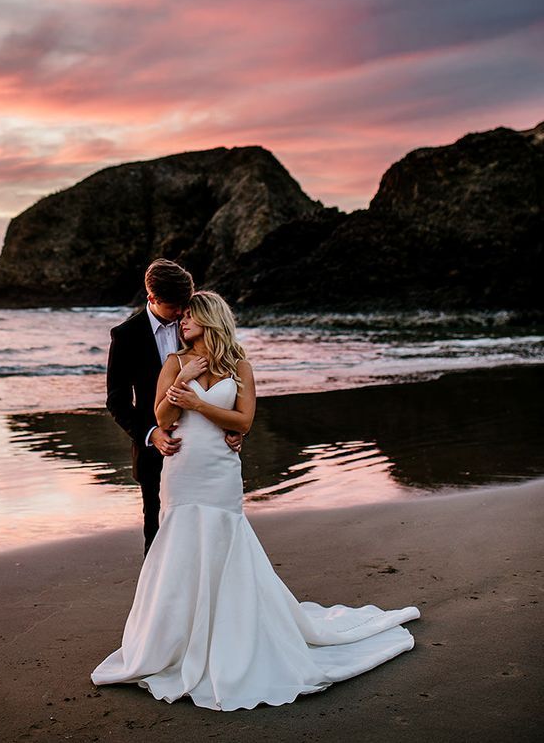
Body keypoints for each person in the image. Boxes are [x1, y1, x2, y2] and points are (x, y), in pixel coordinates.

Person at [92, 291, 420, 712]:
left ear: (212, 320)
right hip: (183, 469)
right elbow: (161, 419)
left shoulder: (240, 366)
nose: (183, 322)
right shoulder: (175, 362)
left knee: (225, 543)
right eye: (183, 315)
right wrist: (181, 382)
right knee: (180, 545)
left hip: (221, 472)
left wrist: (199, 404)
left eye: (191, 316)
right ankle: (174, 641)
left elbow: (243, 420)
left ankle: (231, 638)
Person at [105, 260, 242, 555]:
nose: (181, 314)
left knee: (210, 530)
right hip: (157, 450)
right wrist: (151, 433)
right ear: (152, 298)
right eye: (174, 307)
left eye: (185, 305)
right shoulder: (126, 335)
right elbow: (116, 400)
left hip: (208, 451)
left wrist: (234, 428)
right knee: (158, 534)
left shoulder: (196, 324)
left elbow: (226, 381)